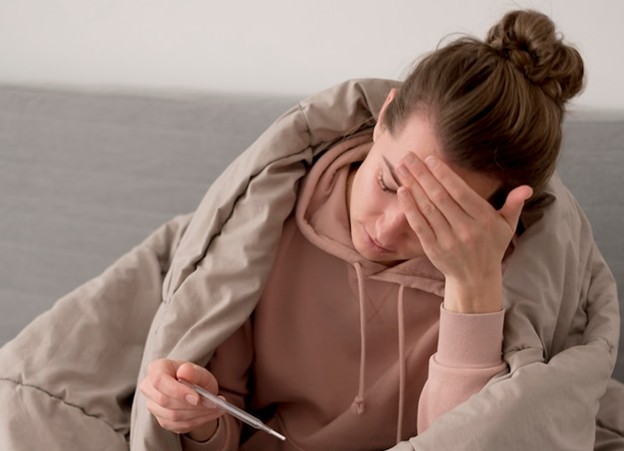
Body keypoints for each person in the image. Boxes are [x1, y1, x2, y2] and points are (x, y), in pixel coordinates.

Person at [0, 8, 621, 451]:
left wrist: (473, 289)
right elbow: (227, 425)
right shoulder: (267, 227)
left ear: (503, 212)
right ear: (382, 119)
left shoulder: (515, 279)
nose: (387, 230)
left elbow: (470, 440)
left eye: (434, 218)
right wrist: (197, 417)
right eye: (389, 183)